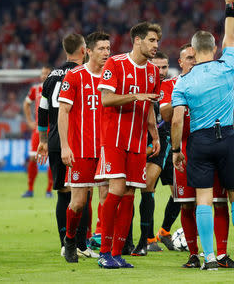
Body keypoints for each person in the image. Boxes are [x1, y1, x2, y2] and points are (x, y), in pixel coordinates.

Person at [171, 0, 234, 271]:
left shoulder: (182, 82)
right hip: (226, 138)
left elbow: (175, 121)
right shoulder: (226, 66)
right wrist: (230, 6)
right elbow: (231, 36)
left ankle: (208, 258)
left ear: (193, 51)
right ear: (214, 47)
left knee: (204, 199)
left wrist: (176, 150)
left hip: (199, 140)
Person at [94, 22, 162, 269]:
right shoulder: (116, 63)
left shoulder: (154, 73)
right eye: (152, 40)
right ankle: (103, 251)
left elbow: (150, 106)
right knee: (116, 189)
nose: (156, 45)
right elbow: (105, 99)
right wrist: (135, 96)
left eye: (157, 41)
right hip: (114, 139)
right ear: (138, 40)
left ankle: (117, 252)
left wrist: (154, 135)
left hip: (137, 141)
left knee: (131, 194)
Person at [162, 44, 234, 269]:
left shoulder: (211, 79)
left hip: (208, 145)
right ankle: (194, 254)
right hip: (184, 148)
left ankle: (220, 254)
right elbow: (167, 116)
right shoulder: (172, 84)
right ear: (181, 62)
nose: (193, 62)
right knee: (186, 205)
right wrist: (180, 100)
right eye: (189, 59)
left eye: (195, 58)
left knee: (219, 202)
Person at [57, 32, 110, 263]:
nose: (106, 53)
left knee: (108, 199)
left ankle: (107, 248)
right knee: (78, 203)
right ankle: (70, 241)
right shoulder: (75, 76)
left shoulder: (112, 76)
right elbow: (63, 112)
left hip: (107, 149)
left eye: (108, 48)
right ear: (88, 51)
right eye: (101, 48)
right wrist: (65, 146)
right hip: (81, 150)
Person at [36, 33, 87, 257]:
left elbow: (42, 110)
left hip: (56, 141)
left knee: (63, 193)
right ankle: (80, 245)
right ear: (84, 50)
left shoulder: (50, 77)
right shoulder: (83, 74)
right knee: (81, 193)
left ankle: (64, 243)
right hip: (78, 140)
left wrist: (43, 141)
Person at [130, 51, 179, 255]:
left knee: (179, 193)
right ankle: (148, 238)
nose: (161, 71)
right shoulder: (142, 86)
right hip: (148, 144)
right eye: (158, 67)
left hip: (167, 142)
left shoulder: (171, 88)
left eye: (165, 67)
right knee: (147, 187)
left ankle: (164, 231)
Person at [22, 65, 53, 198]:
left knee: (53, 160)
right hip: (38, 130)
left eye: (46, 73)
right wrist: (29, 121)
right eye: (42, 73)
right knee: (33, 159)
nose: (43, 76)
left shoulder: (56, 88)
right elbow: (26, 104)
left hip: (52, 129)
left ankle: (49, 190)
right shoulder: (35, 89)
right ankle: (30, 189)